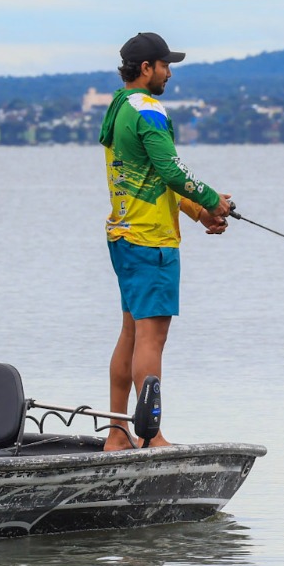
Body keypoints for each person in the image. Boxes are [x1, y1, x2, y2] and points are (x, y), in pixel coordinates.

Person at [98, 32, 234, 450]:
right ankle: (151, 436)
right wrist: (211, 199)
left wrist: (198, 212)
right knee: (151, 338)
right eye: (165, 66)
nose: (169, 74)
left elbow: (155, 176)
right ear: (146, 69)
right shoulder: (149, 110)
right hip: (151, 242)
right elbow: (173, 170)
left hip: (124, 235)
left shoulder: (119, 107)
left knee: (130, 333)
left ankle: (117, 433)